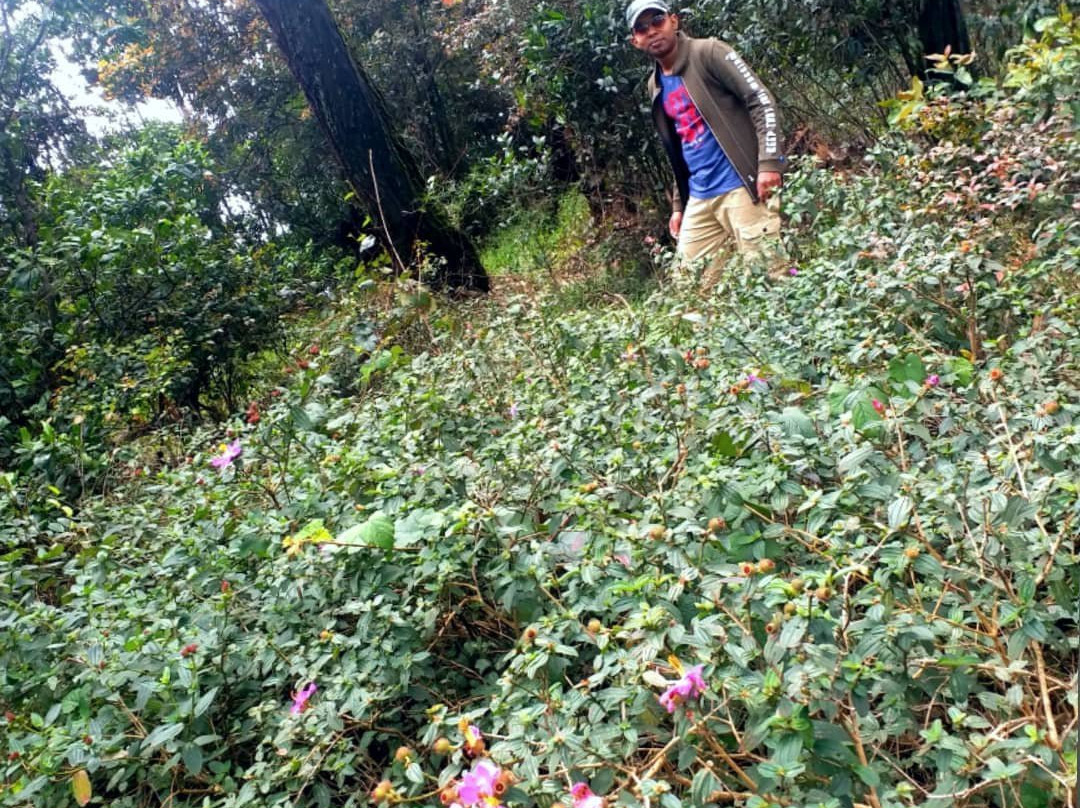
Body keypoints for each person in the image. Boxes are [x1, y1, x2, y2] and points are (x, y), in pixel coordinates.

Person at [627, 0, 786, 274]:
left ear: (674, 21)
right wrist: (679, 206)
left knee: (770, 279)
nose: (651, 31)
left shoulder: (709, 52)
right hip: (700, 198)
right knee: (690, 293)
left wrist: (769, 162)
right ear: (635, 41)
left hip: (742, 187)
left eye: (657, 21)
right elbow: (680, 147)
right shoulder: (655, 85)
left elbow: (761, 100)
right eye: (642, 28)